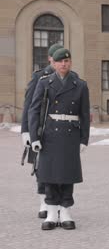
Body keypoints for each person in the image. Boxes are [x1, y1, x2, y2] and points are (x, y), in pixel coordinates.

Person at [29, 48, 90, 230]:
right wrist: (34, 137)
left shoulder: (80, 85)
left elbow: (85, 114)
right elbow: (34, 110)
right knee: (50, 174)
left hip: (70, 135)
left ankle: (65, 211)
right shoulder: (44, 82)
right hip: (49, 134)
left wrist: (84, 139)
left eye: (67, 61)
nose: (64, 64)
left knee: (67, 174)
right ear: (53, 63)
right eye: (60, 61)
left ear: (70, 62)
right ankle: (51, 212)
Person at [20, 43, 63, 219]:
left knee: (60, 167)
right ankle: (44, 202)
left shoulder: (68, 78)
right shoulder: (39, 77)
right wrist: (26, 131)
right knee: (41, 168)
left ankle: (58, 202)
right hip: (40, 130)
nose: (59, 62)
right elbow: (29, 107)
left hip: (60, 132)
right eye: (56, 59)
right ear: (50, 59)